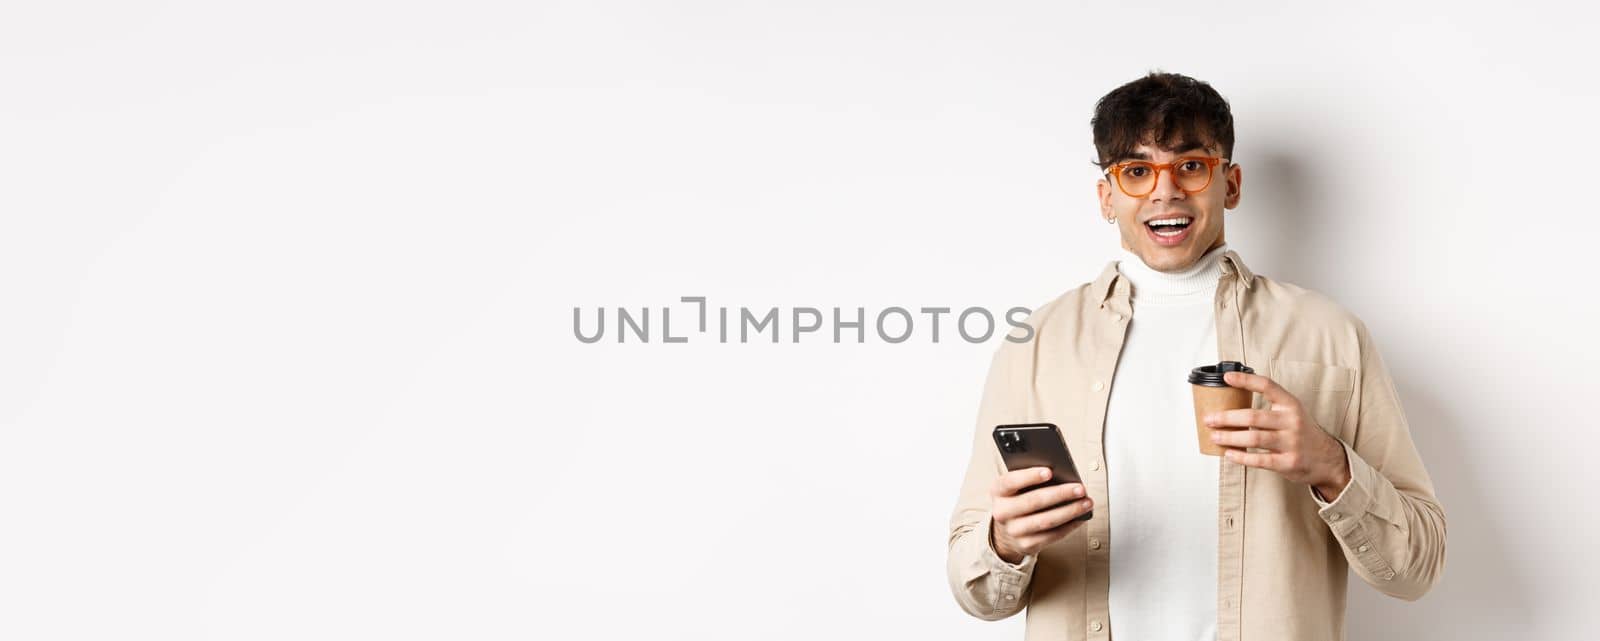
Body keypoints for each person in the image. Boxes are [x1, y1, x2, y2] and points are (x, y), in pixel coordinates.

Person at [945, 71, 1447, 641]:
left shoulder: (1330, 335)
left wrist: (1332, 466)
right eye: (1137, 172)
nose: (1165, 192)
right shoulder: (1037, 342)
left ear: (1229, 184)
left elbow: (1418, 568)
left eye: (1190, 166)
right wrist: (1006, 543)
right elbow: (975, 589)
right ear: (1107, 198)